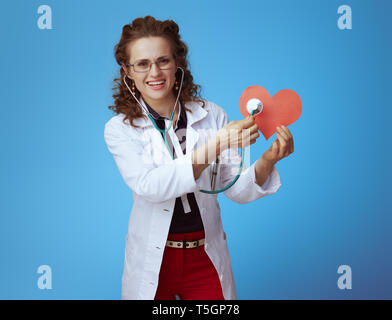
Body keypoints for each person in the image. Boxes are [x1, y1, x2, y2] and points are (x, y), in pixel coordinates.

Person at [104, 16, 294, 300]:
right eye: (142, 64)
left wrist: (267, 159)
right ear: (127, 71)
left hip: (204, 255)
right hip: (154, 259)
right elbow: (150, 186)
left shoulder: (212, 115)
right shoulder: (119, 129)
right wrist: (217, 144)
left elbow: (235, 190)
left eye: (163, 61)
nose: (154, 72)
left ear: (177, 63)